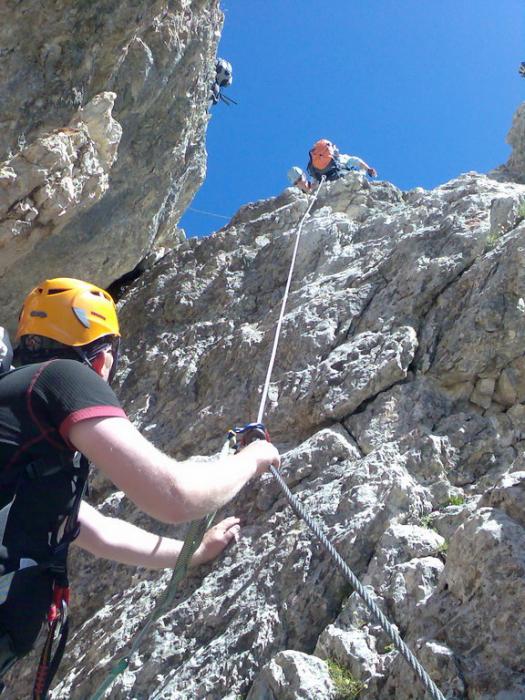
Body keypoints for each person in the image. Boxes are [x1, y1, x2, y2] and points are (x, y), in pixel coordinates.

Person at [0, 278, 280, 692]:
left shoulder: (20, 416)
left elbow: (98, 531)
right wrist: (251, 460)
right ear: (100, 355)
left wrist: (194, 554)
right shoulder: (62, 379)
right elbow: (175, 496)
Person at [289, 139, 378, 194]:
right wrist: (368, 169)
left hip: (329, 189)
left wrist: (303, 185)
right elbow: (356, 161)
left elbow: (313, 186)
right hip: (346, 181)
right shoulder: (340, 158)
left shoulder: (317, 170)